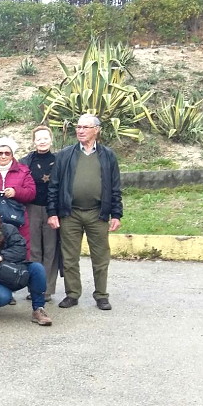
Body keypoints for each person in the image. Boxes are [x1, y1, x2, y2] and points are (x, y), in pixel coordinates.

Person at [48, 114, 122, 311]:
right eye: (78, 127)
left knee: (100, 257)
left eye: (85, 127)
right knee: (70, 257)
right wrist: (52, 213)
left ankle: (101, 296)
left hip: (98, 214)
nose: (80, 130)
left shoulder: (107, 155)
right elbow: (54, 187)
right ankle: (72, 294)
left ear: (96, 130)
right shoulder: (65, 155)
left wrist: (116, 214)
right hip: (70, 214)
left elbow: (115, 187)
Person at [0, 205, 52, 326]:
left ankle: (38, 309)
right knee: (2, 297)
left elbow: (21, 250)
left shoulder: (9, 229)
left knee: (37, 269)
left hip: (14, 272)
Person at [19, 125, 59, 300]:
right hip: (32, 208)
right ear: (33, 141)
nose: (42, 141)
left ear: (51, 140)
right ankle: (36, 288)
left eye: (45, 138)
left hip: (53, 209)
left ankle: (48, 290)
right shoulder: (26, 161)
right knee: (34, 249)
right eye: (39, 139)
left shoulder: (59, 160)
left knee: (50, 249)